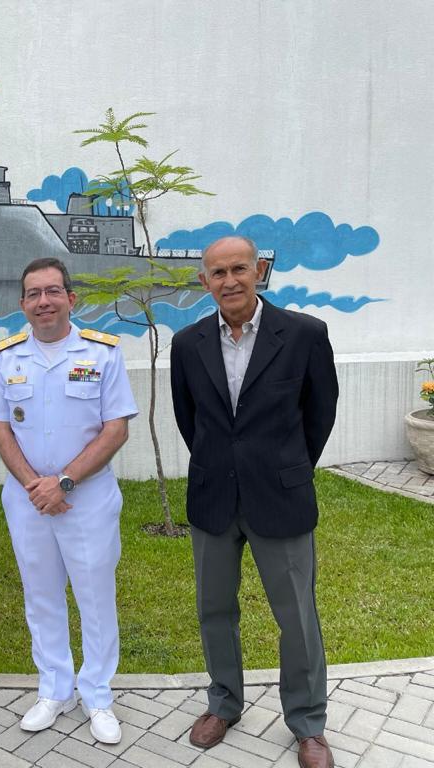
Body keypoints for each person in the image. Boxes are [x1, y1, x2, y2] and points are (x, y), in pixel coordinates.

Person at [170, 236, 339, 768]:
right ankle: (223, 702)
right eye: (218, 273)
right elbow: (189, 418)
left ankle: (308, 723)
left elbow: (321, 412)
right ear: (205, 282)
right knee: (214, 609)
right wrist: (224, 464)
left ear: (259, 270)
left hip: (280, 498)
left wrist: (286, 467)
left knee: (298, 617)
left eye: (239, 269)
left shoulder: (305, 334)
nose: (230, 281)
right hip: (213, 497)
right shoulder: (187, 343)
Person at [0, 257, 138, 744]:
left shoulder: (103, 353)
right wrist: (37, 485)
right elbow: (1, 431)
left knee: (95, 597)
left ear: (71, 299)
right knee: (41, 595)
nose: (43, 301)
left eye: (52, 291)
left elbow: (116, 429)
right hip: (29, 501)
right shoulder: (6, 358)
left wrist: (63, 482)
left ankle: (97, 694)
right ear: (22, 303)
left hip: (87, 500)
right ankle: (54, 689)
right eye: (33, 293)